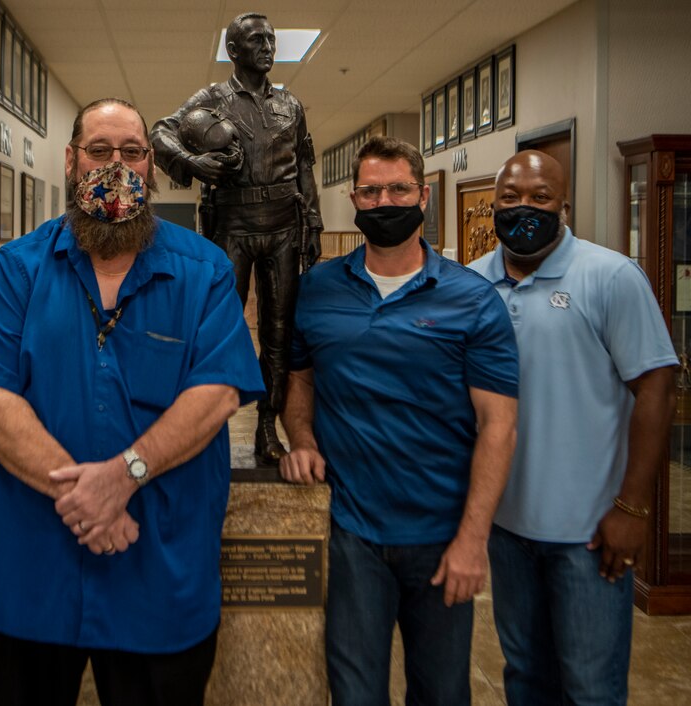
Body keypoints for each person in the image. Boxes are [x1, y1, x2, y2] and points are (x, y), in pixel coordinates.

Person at [0, 98, 263, 706]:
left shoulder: (204, 271)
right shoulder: (18, 269)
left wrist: (124, 476)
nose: (115, 166)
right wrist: (90, 495)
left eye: (132, 152)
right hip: (32, 569)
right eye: (99, 151)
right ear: (71, 162)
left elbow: (218, 392)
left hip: (157, 570)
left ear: (151, 165)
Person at [279, 136, 519, 704]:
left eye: (398, 188)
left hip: (440, 536)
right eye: (371, 190)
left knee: (440, 691)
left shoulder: (473, 300)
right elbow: (301, 380)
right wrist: (303, 437)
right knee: (355, 691)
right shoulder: (317, 288)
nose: (384, 200)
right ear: (354, 200)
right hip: (353, 534)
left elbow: (499, 427)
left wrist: (472, 541)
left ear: (424, 195)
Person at [470, 150, 677, 706]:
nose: (524, 208)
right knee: (525, 677)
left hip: (590, 534)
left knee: (590, 688)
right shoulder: (470, 286)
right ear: (494, 204)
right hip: (507, 528)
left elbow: (657, 388)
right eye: (510, 198)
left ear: (565, 203)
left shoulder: (609, 276)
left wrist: (633, 509)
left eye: (540, 197)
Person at [151, 12, 322, 465]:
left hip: (285, 225)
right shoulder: (213, 99)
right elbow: (159, 133)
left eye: (271, 39)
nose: (267, 46)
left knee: (279, 333)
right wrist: (193, 161)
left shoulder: (292, 105)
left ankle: (268, 425)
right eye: (256, 39)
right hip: (233, 226)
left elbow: (305, 165)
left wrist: (315, 224)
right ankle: (208, 427)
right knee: (219, 330)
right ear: (233, 50)